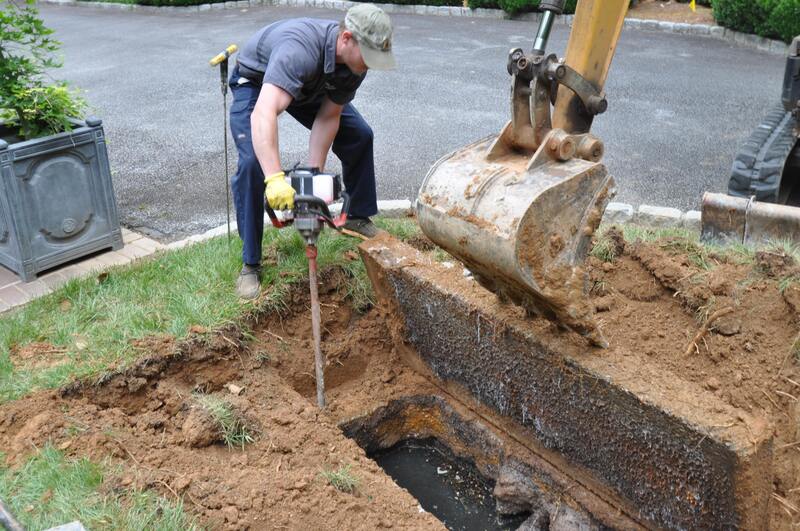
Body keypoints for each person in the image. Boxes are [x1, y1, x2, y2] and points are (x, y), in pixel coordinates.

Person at [229, 4, 395, 299]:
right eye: (368, 56)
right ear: (346, 38)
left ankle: (357, 216)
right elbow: (264, 112)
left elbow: (328, 117)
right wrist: (275, 178)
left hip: (309, 85)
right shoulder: (299, 50)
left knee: (359, 135)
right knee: (254, 163)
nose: (370, 64)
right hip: (256, 82)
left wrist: (312, 182)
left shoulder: (354, 65)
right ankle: (250, 263)